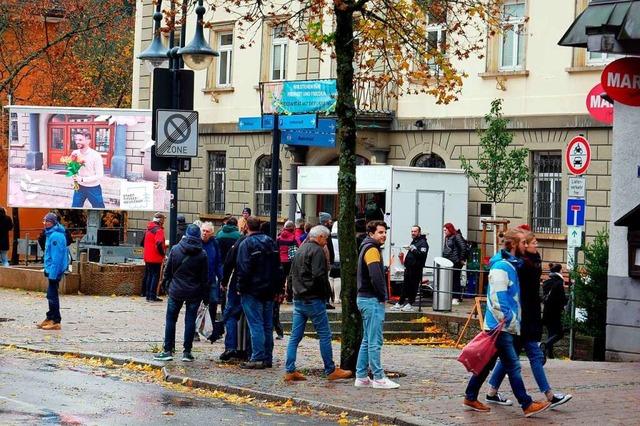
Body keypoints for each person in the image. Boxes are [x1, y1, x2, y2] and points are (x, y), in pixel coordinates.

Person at [463, 228, 551, 418]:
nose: (525, 246)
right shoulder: (502, 267)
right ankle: (526, 404)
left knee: (487, 364)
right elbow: (498, 297)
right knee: (513, 365)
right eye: (522, 243)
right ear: (513, 245)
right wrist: (509, 318)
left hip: (503, 325)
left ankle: (470, 396)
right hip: (501, 326)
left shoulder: (511, 265)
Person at [486, 232, 572, 409]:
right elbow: (502, 294)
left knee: (510, 358)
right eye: (528, 242)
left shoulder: (527, 262)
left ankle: (489, 393)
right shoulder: (514, 265)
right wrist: (509, 316)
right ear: (516, 245)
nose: (533, 245)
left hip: (526, 315)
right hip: (519, 316)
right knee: (529, 356)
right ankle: (542, 397)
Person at [284, 225, 353, 382]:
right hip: (313, 298)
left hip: (299, 298)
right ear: (320, 236)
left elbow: (292, 273)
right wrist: (324, 295)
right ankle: (330, 369)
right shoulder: (317, 251)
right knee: (324, 335)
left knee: (295, 336)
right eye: (326, 238)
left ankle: (289, 370)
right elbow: (319, 275)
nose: (326, 241)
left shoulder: (301, 249)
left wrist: (293, 291)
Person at [354, 220, 399, 389]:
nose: (384, 235)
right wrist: (382, 296)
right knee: (374, 340)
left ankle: (361, 376)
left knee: (367, 339)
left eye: (385, 232)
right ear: (371, 234)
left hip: (365, 298)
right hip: (372, 299)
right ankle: (379, 377)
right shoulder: (372, 249)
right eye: (380, 232)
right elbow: (376, 275)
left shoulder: (366, 247)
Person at [154, 224, 209, 362]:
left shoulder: (176, 249)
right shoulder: (202, 254)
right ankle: (187, 352)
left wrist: (165, 285)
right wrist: (206, 295)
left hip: (176, 290)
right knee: (190, 321)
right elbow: (204, 277)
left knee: (171, 319)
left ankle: (168, 350)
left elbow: (168, 270)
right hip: (194, 292)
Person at [235, 216, 284, 369]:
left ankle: (257, 356)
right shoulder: (270, 242)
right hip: (269, 289)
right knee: (267, 325)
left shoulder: (246, 244)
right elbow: (278, 267)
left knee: (255, 324)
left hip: (252, 289)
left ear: (247, 227)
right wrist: (278, 288)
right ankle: (267, 357)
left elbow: (243, 268)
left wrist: (240, 288)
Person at [219, 231, 250, 362]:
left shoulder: (240, 242)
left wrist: (224, 281)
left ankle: (230, 346)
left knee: (231, 315)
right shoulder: (266, 242)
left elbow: (229, 262)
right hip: (256, 286)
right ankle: (252, 351)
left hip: (237, 283)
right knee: (253, 319)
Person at [36, 213, 69, 331]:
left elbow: (57, 257)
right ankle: (50, 317)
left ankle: (56, 320)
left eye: (48, 221)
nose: (46, 223)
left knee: (52, 295)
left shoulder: (55, 236)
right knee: (50, 294)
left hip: (54, 271)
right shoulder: (51, 234)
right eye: (44, 221)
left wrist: (53, 273)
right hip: (51, 269)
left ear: (54, 222)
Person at [392, 225, 429, 312]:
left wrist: (411, 249)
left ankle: (410, 304)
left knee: (413, 286)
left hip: (416, 268)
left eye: (415, 231)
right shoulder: (414, 241)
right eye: (412, 231)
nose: (413, 233)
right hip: (409, 268)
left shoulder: (423, 243)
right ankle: (400, 303)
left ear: (419, 232)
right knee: (405, 286)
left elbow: (422, 255)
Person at [70, 131, 105, 208]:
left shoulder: (96, 155)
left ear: (88, 140)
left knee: (100, 209)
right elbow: (72, 169)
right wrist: (74, 180)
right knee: (75, 209)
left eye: (80, 140)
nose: (77, 142)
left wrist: (82, 179)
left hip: (93, 188)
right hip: (79, 188)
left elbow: (100, 175)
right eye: (76, 139)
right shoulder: (74, 153)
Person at [541, 263, 568, 360]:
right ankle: (545, 344)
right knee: (560, 333)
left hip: (547, 311)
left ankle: (550, 355)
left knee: (551, 332)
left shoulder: (546, 281)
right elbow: (561, 298)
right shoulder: (558, 283)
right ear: (560, 271)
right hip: (555, 311)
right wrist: (566, 301)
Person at [201, 222, 223, 328]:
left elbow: (218, 261)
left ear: (212, 233)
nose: (204, 233)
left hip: (211, 278)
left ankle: (211, 326)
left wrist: (222, 278)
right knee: (198, 305)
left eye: (207, 231)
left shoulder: (214, 243)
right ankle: (196, 329)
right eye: (203, 231)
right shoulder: (196, 243)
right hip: (198, 280)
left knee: (213, 301)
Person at [143, 212, 166, 302]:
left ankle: (148, 295)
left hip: (147, 256)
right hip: (155, 257)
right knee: (155, 276)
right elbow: (159, 244)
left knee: (149, 275)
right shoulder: (158, 230)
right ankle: (152, 295)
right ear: (160, 220)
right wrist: (162, 254)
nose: (164, 221)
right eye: (163, 219)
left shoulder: (149, 229)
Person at [443, 222, 467, 305]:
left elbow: (463, 247)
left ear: (449, 229)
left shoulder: (457, 236)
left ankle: (456, 296)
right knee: (452, 279)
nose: (445, 232)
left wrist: (460, 259)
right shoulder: (449, 237)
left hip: (455, 261)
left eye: (445, 230)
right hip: (449, 260)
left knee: (455, 278)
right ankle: (455, 296)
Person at [278, 220, 298, 306]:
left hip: (281, 260)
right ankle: (289, 297)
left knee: (281, 280)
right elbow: (294, 252)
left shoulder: (279, 238)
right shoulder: (293, 238)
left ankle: (281, 296)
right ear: (292, 228)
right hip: (289, 261)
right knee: (290, 279)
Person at [319, 212, 336, 309]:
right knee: (325, 280)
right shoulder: (325, 232)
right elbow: (328, 246)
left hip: (325, 260)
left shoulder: (323, 231)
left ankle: (326, 300)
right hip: (324, 260)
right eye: (330, 220)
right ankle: (325, 300)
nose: (331, 222)